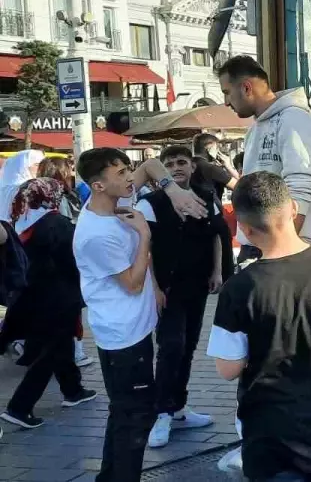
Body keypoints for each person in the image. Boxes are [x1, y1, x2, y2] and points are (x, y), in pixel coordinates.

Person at [206, 172, 311, 482]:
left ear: (244, 228)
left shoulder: (239, 288)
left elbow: (227, 369)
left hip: (273, 442)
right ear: (293, 208)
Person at [73, 148, 206, 482]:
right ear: (98, 186)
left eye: (126, 169)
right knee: (134, 419)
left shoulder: (117, 206)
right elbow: (132, 283)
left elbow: (149, 165)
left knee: (125, 413)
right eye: (120, 173)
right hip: (123, 337)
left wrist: (171, 189)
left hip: (131, 329)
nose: (129, 177)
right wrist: (145, 235)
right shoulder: (96, 234)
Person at [138, 145, 223, 448]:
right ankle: (162, 412)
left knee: (188, 347)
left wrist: (216, 271)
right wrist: (155, 288)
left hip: (197, 286)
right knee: (171, 346)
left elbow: (215, 235)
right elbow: (144, 250)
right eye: (170, 163)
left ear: (192, 166)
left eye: (182, 162)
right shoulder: (150, 203)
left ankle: (179, 408)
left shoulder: (206, 197)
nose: (177, 167)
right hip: (168, 289)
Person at [0, 178, 97, 429]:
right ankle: (19, 407)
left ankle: (73, 390)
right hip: (58, 296)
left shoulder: (19, 220)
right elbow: (72, 262)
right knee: (51, 351)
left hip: (31, 296)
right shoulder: (56, 223)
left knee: (61, 344)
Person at [217, 55, 311, 251]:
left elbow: (300, 185)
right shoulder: (255, 128)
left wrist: (281, 251)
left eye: (227, 92)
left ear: (246, 88)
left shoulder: (294, 118)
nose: (226, 102)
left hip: (282, 249)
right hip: (260, 245)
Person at [36, 156, 92, 368]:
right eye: (69, 170)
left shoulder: (35, 197)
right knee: (70, 312)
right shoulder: (59, 199)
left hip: (46, 265)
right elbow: (67, 229)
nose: (72, 175)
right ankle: (73, 354)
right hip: (64, 262)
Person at [193, 135, 237, 282]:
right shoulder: (212, 168)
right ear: (210, 148)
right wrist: (229, 166)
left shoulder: (188, 165)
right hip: (214, 216)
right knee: (225, 266)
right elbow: (241, 187)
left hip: (191, 216)